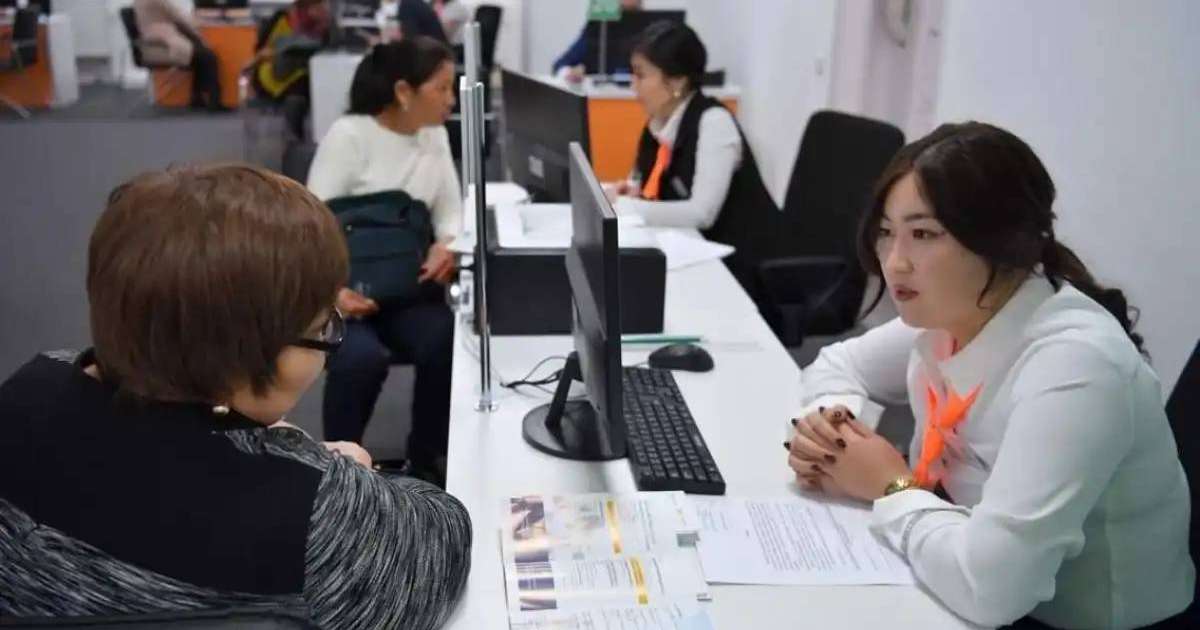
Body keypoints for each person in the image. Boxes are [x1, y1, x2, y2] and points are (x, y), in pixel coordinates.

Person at [0, 164, 472, 628]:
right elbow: (443, 532)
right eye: (320, 330)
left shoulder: (27, 390)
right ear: (248, 359)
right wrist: (348, 476)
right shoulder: (313, 515)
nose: (329, 344)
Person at [785, 122, 1194, 628]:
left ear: (1001, 242)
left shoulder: (1076, 366)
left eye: (924, 234)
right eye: (887, 232)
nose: (894, 262)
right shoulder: (952, 313)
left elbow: (994, 590)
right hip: (949, 578)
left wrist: (891, 486)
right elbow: (836, 364)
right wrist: (834, 428)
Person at [306, 38, 459, 486]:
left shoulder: (435, 136)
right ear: (403, 91)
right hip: (345, 288)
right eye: (442, 88)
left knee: (444, 341)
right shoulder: (349, 137)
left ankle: (428, 458)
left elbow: (451, 208)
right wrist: (331, 292)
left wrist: (444, 243)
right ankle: (337, 469)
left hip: (406, 284)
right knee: (360, 358)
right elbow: (311, 225)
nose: (451, 100)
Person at [252, 0, 332, 139]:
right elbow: (260, 51)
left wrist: (326, 26)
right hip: (272, 73)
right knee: (300, 90)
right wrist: (276, 52)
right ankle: (295, 139)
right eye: (318, 5)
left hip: (307, 74)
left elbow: (333, 51)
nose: (323, 8)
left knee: (306, 89)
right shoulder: (281, 18)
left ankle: (305, 137)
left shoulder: (326, 25)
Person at [133, 0, 223, 110]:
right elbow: (178, 16)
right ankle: (214, 101)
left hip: (154, 42)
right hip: (161, 46)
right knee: (208, 57)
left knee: (201, 53)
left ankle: (197, 98)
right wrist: (198, 24)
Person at [553, 0, 642, 82]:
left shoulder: (651, 30)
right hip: (602, 95)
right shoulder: (599, 26)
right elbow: (560, 65)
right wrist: (570, 74)